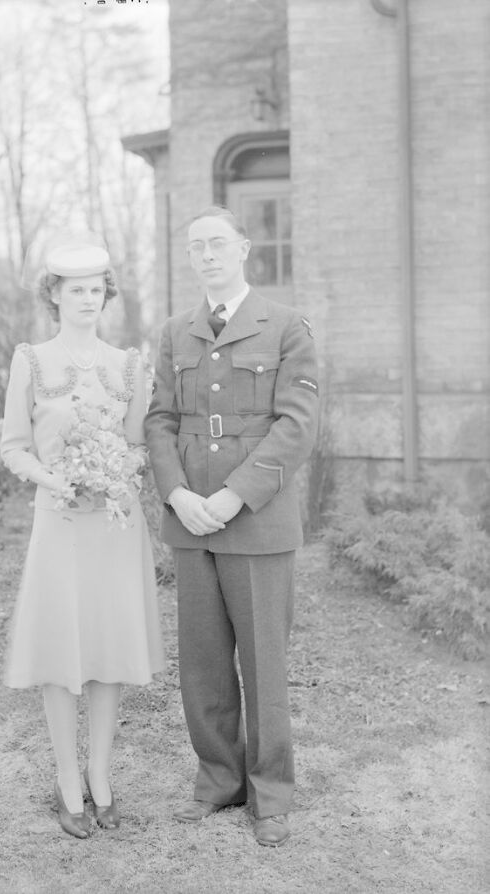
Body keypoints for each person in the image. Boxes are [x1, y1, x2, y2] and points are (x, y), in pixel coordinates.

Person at [144, 206, 319, 847]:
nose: (207, 255)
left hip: (257, 522)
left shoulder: (285, 326)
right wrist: (177, 492)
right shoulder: (174, 332)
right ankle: (219, 780)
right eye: (196, 247)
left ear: (243, 248)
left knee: (263, 662)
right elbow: (159, 419)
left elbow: (296, 426)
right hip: (192, 520)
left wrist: (234, 497)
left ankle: (271, 792)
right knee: (204, 662)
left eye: (218, 243)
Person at [0, 237, 165, 839]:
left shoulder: (128, 365)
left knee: (106, 649)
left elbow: (139, 441)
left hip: (115, 527)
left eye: (97, 290)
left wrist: (122, 473)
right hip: (61, 522)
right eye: (76, 291)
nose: (88, 300)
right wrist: (58, 479)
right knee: (60, 651)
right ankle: (67, 781)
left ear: (107, 296)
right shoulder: (32, 361)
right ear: (55, 296)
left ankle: (101, 775)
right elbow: (13, 446)